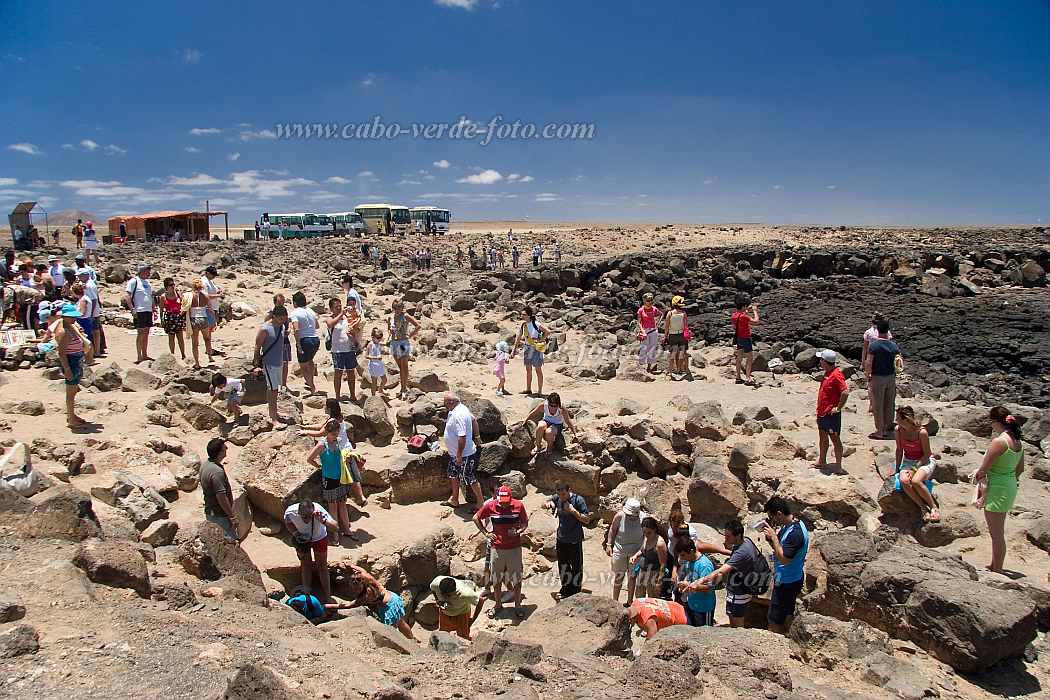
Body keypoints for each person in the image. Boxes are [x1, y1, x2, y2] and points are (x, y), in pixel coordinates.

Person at [974, 406, 1026, 573]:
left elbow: (984, 468)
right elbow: (1020, 469)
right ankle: (994, 564)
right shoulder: (1018, 442)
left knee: (996, 534)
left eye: (992, 422)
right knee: (998, 531)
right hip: (1009, 484)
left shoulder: (999, 442)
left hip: (996, 487)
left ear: (997, 422)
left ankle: (998, 569)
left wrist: (979, 478)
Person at [693, 519, 767, 627]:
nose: (725, 539)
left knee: (736, 626)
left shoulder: (742, 552)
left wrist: (698, 581)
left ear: (737, 536)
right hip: (742, 589)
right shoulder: (746, 540)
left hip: (738, 594)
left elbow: (720, 572)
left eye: (728, 536)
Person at [473, 485, 528, 620]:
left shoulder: (518, 506)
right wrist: (486, 533)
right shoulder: (491, 505)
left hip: (514, 548)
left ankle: (518, 605)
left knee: (516, 577)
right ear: (498, 499)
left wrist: (518, 531)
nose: (504, 505)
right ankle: (498, 605)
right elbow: (476, 518)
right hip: (497, 548)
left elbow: (525, 523)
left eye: (506, 502)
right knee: (496, 578)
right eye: (502, 502)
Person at [303, 399, 367, 506]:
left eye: (325, 406)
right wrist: (306, 427)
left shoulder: (332, 420)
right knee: (353, 474)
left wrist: (305, 432)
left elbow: (320, 432)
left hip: (341, 451)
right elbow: (320, 426)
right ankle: (361, 497)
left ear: (329, 408)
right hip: (348, 449)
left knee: (345, 474)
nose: (324, 408)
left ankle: (345, 496)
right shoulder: (338, 417)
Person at [760, 497, 810, 633]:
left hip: (787, 582)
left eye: (772, 516)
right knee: (787, 613)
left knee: (774, 619)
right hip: (790, 577)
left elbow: (784, 559)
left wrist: (775, 538)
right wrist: (771, 540)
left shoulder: (796, 534)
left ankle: (778, 645)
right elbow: (780, 549)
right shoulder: (789, 526)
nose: (773, 520)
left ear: (779, 514)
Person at [307, 419, 359, 542]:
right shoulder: (321, 445)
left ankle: (347, 530)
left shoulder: (338, 442)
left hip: (340, 478)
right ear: (328, 432)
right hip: (329, 479)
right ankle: (335, 535)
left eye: (337, 433)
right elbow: (309, 459)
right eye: (334, 433)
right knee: (333, 507)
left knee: (342, 504)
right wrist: (319, 466)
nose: (336, 436)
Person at [343, 563, 418, 642]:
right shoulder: (369, 580)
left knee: (391, 631)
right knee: (401, 623)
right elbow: (362, 571)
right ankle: (412, 638)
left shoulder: (365, 595)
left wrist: (329, 606)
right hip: (392, 597)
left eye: (355, 589)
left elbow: (348, 605)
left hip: (389, 607)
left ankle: (403, 645)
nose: (354, 590)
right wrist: (351, 566)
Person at [892, 406, 939, 522]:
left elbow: (927, 454)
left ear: (906, 420)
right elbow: (899, 450)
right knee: (904, 481)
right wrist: (897, 469)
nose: (896, 421)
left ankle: (933, 507)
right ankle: (923, 507)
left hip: (923, 461)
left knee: (916, 481)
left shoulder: (921, 432)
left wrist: (914, 469)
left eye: (898, 418)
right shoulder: (898, 430)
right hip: (908, 460)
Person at [284, 500, 336, 601]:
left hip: (319, 537)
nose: (307, 520)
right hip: (303, 540)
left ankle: (327, 596)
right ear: (298, 513)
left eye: (310, 516)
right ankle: (306, 595)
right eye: (304, 517)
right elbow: (288, 522)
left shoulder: (319, 511)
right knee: (305, 565)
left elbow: (336, 527)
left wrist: (323, 521)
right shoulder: (290, 512)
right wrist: (296, 534)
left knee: (322, 566)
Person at [548, 484, 592, 600]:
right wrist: (550, 503)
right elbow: (547, 502)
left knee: (576, 567)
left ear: (569, 490)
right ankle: (565, 590)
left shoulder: (578, 500)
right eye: (559, 494)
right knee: (563, 566)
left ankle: (576, 592)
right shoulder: (557, 498)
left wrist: (573, 511)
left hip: (574, 539)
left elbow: (587, 519)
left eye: (563, 494)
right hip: (561, 539)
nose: (561, 497)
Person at [443, 394, 483, 509]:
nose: (444, 406)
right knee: (452, 474)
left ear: (450, 402)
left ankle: (480, 503)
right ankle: (454, 499)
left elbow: (462, 436)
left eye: (445, 403)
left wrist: (459, 454)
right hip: (454, 454)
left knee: (469, 477)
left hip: (464, 455)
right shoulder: (460, 408)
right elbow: (474, 420)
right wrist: (477, 436)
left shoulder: (459, 414)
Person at [253, 305, 290, 422]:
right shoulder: (265, 329)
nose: (283, 321)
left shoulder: (282, 326)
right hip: (269, 364)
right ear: (274, 316)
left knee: (275, 389)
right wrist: (257, 365)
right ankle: (273, 417)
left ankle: (274, 413)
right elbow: (257, 347)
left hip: (279, 362)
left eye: (284, 319)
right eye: (281, 319)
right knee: (273, 390)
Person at [55, 302, 89, 428]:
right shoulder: (64, 332)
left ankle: (71, 415)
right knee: (71, 392)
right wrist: (67, 369)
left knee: (74, 390)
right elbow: (62, 353)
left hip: (76, 359)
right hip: (71, 361)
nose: (74, 319)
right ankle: (71, 419)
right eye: (71, 317)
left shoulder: (69, 326)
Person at [814, 349, 849, 470]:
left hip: (830, 414)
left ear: (825, 361)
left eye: (821, 360)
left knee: (835, 439)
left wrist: (838, 408)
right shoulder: (827, 373)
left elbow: (845, 392)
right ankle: (822, 460)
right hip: (822, 412)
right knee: (822, 437)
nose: (819, 362)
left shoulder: (836, 374)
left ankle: (838, 465)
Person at [200, 438, 240, 542]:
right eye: (224, 448)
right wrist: (232, 517)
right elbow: (221, 497)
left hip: (211, 512)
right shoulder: (216, 472)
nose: (227, 448)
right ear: (219, 452)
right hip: (220, 516)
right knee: (229, 544)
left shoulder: (205, 465)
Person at [606, 498, 644, 605]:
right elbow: (613, 529)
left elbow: (646, 535)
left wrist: (641, 550)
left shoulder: (643, 518)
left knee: (632, 577)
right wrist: (609, 544)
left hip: (635, 551)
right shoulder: (619, 516)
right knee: (619, 576)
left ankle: (630, 601)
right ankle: (615, 601)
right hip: (620, 549)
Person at [867, 319, 901, 440]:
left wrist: (868, 375)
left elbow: (869, 362)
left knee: (878, 405)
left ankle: (879, 431)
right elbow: (899, 362)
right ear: (888, 330)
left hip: (877, 377)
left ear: (877, 330)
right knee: (889, 404)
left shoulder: (874, 345)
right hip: (891, 377)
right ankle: (887, 428)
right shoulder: (894, 346)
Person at [672, 539, 717, 626]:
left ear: (691, 551)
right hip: (692, 604)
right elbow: (689, 577)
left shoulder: (705, 565)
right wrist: (684, 584)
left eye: (683, 555)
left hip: (704, 607)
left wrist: (689, 586)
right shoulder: (689, 561)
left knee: (705, 633)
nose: (681, 558)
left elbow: (709, 588)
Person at [326, 297, 361, 402]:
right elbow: (330, 324)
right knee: (338, 373)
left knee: (351, 373)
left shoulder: (347, 318)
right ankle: (337, 395)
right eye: (336, 307)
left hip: (349, 349)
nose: (339, 308)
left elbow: (355, 326)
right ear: (331, 309)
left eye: (339, 306)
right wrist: (341, 314)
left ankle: (352, 394)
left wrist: (354, 337)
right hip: (337, 350)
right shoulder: (330, 318)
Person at [430, 575, 486, 640]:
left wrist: (473, 619)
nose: (444, 597)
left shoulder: (466, 593)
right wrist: (437, 599)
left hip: (461, 615)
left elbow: (480, 601)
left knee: (463, 637)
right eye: (442, 594)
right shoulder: (435, 583)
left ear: (454, 591)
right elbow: (432, 589)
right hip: (444, 613)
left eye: (448, 595)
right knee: (443, 634)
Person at [510, 307, 549, 395]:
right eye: (522, 314)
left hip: (536, 349)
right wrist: (513, 351)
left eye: (524, 314)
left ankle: (539, 391)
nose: (522, 316)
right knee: (528, 370)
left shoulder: (536, 324)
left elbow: (547, 331)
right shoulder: (524, 325)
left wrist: (541, 340)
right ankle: (528, 389)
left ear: (529, 315)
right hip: (527, 348)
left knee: (538, 370)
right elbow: (518, 338)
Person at [388, 299, 421, 399]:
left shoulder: (405, 316)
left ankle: (403, 389)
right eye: (395, 308)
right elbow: (389, 329)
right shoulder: (391, 317)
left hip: (402, 342)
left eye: (399, 308)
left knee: (404, 366)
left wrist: (410, 335)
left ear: (402, 308)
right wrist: (390, 331)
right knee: (400, 367)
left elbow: (418, 326)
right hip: (394, 342)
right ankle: (403, 387)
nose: (397, 310)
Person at [289, 291, 320, 395]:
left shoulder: (295, 312)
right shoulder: (311, 310)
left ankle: (312, 387)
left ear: (295, 303)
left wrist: (298, 344)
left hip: (304, 340)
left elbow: (296, 329)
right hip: (315, 339)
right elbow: (317, 326)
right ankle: (310, 382)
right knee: (310, 361)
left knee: (303, 365)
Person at [124, 262, 155, 364]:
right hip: (140, 310)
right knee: (140, 333)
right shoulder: (134, 281)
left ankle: (145, 354)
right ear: (142, 271)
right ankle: (139, 355)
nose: (149, 273)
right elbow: (127, 296)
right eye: (147, 271)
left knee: (146, 333)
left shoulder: (148, 283)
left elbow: (150, 296)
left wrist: (153, 308)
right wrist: (132, 309)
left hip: (148, 311)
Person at [630, 517, 667, 598]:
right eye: (644, 532)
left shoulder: (660, 544)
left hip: (653, 573)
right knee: (639, 595)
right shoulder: (646, 537)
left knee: (652, 597)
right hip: (642, 570)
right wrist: (636, 555)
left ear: (654, 530)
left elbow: (663, 564)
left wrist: (659, 582)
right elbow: (642, 550)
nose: (646, 535)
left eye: (649, 533)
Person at [731, 294, 760, 385]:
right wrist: (755, 311)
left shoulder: (734, 315)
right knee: (749, 358)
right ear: (743, 306)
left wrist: (746, 310)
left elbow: (740, 318)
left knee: (739, 358)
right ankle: (748, 378)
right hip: (746, 338)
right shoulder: (744, 316)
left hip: (739, 338)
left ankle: (738, 377)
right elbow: (756, 321)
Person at [185, 280, 213, 369]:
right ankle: (210, 356)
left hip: (194, 319)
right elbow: (210, 309)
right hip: (203, 318)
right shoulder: (205, 296)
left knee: (195, 343)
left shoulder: (190, 296)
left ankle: (197, 363)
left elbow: (187, 309)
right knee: (207, 339)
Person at [77, 268, 104, 358]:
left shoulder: (89, 285)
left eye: (80, 276)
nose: (79, 278)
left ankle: (95, 351)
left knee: (93, 332)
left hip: (92, 313)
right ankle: (96, 350)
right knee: (95, 331)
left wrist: (91, 314)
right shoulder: (88, 284)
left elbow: (94, 300)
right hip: (92, 312)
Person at [158, 277, 187, 360]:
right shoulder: (163, 297)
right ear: (166, 287)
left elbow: (184, 304)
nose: (173, 286)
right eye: (171, 285)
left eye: (173, 284)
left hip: (178, 316)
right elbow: (161, 309)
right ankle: (172, 355)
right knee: (171, 338)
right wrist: (161, 320)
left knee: (180, 337)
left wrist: (183, 314)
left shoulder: (178, 294)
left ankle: (183, 354)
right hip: (169, 317)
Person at [663, 295, 690, 379]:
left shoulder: (670, 313)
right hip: (682, 335)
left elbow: (666, 327)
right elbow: (686, 326)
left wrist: (665, 336)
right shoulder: (683, 313)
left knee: (673, 354)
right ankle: (680, 369)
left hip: (673, 335)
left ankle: (670, 371)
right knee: (682, 353)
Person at [636, 293, 662, 372]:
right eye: (648, 300)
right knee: (644, 348)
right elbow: (639, 322)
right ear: (644, 300)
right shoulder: (641, 310)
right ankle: (641, 365)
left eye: (651, 300)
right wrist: (642, 330)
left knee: (652, 348)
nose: (650, 302)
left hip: (653, 330)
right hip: (645, 331)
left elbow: (661, 314)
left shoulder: (654, 309)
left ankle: (649, 367)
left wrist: (658, 323)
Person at [201, 266, 224, 337]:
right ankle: (208, 345)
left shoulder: (210, 281)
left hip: (213, 307)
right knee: (208, 327)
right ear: (207, 273)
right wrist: (218, 296)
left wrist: (219, 291)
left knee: (211, 327)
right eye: (212, 275)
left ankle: (209, 344)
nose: (214, 276)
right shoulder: (204, 282)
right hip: (208, 308)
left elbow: (214, 290)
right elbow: (205, 296)